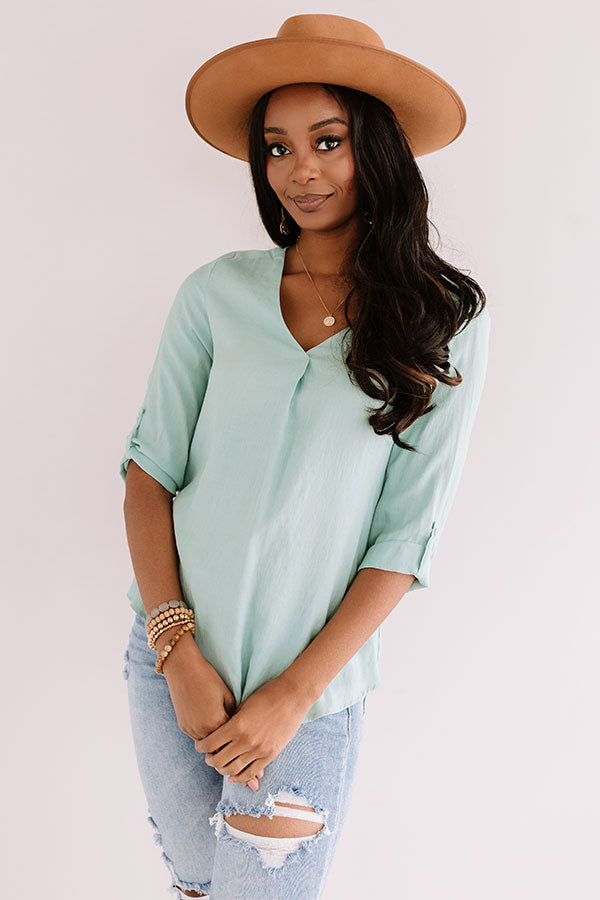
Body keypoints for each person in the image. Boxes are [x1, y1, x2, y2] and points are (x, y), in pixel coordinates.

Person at [119, 14, 491, 899]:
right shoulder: (216, 293)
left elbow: (405, 536)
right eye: (278, 148)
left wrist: (291, 697)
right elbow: (149, 473)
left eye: (328, 141)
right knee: (198, 887)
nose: (300, 171)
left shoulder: (442, 320)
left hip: (309, 699)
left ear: (377, 147)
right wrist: (177, 653)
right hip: (172, 667)